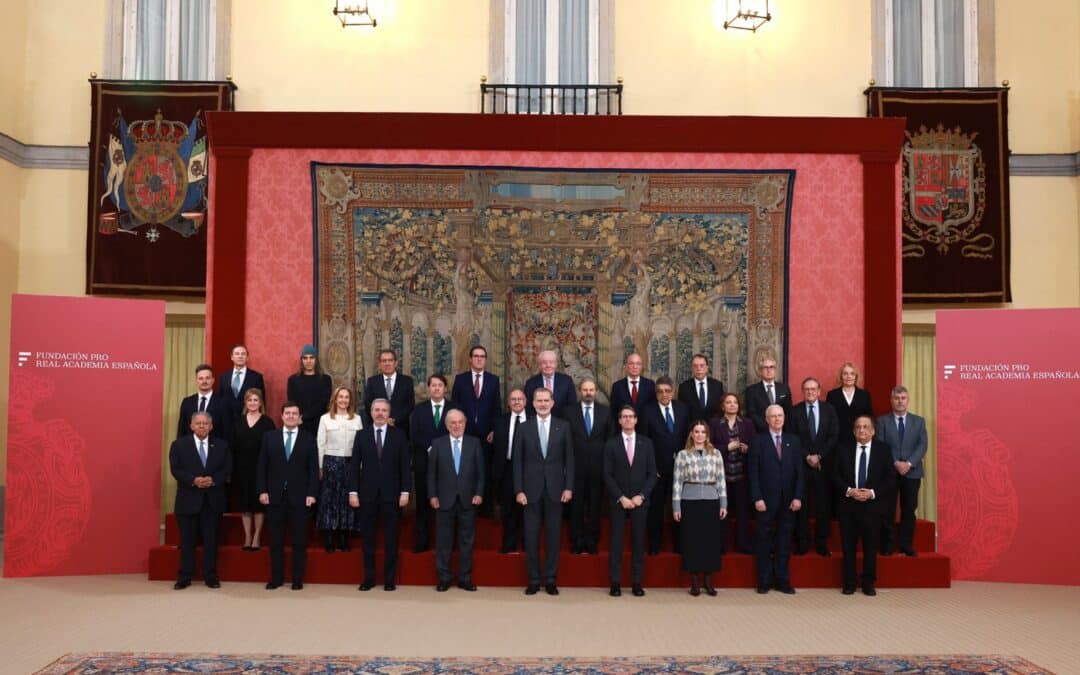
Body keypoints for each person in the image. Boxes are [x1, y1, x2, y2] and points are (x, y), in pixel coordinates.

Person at [513, 387, 575, 595]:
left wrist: (568, 487)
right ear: (533, 403)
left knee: (553, 537)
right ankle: (533, 580)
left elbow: (570, 460)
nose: (542, 404)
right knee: (531, 537)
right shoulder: (524, 428)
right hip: (530, 491)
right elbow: (517, 463)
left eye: (546, 400)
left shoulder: (563, 427)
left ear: (552, 403)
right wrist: (519, 489)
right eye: (539, 401)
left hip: (556, 490)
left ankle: (550, 579)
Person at [349, 398, 411, 591]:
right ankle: (368, 578)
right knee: (368, 540)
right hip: (366, 495)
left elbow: (404, 467)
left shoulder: (399, 435)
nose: (380, 413)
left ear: (388, 413)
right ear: (371, 412)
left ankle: (389, 579)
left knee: (391, 540)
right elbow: (354, 466)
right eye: (377, 410)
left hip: (391, 495)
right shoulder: (361, 435)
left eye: (384, 410)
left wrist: (405, 491)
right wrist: (353, 492)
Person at [257, 402, 318, 591]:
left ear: (300, 418)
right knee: (275, 541)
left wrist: (312, 493)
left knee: (299, 541)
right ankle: (276, 579)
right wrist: (262, 490)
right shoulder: (269, 437)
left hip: (300, 497)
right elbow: (262, 467)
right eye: (287, 413)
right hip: (274, 496)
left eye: (294, 414)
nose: (291, 416)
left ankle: (297, 579)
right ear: (281, 416)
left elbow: (313, 469)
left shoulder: (308, 439)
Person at [169, 411, 232, 589]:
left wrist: (213, 480)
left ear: (211, 426)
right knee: (187, 541)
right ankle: (184, 576)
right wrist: (193, 480)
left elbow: (227, 468)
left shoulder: (221, 446)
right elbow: (176, 469)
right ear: (191, 426)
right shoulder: (179, 445)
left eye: (205, 423)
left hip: (213, 500)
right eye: (198, 423)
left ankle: (210, 576)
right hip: (188, 500)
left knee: (211, 542)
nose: (202, 426)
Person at [834, 415, 894, 595]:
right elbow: (834, 476)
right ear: (853, 431)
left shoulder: (883, 450)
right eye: (858, 427)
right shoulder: (843, 449)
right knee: (848, 547)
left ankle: (868, 583)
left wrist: (872, 493)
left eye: (865, 427)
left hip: (872, 507)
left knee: (870, 547)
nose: (862, 430)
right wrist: (849, 490)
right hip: (849, 506)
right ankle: (850, 582)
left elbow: (890, 479)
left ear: (873, 431)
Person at [748, 404, 803, 594]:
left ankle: (782, 580)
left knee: (784, 542)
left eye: (780, 415)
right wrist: (757, 497)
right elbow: (753, 472)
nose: (777, 419)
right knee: (763, 541)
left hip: (789, 501)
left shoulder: (793, 441)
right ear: (767, 419)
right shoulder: (757, 441)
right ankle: (763, 581)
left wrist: (798, 497)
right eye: (773, 416)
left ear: (784, 418)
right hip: (765, 501)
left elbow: (799, 473)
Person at [427, 409, 485, 591]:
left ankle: (465, 578)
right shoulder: (437, 444)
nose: (456, 425)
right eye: (452, 422)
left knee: (466, 543)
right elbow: (431, 474)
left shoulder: (474, 443)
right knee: (443, 542)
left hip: (468, 500)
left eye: (460, 422)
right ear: (447, 425)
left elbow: (481, 472)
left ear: (465, 424)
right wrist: (433, 495)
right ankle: (444, 578)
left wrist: (479, 492)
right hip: (444, 500)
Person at [603, 405, 656, 597]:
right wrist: (621, 497)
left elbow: (652, 474)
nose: (627, 420)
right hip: (619, 501)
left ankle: (636, 583)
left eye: (631, 416)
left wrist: (641, 496)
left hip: (640, 501)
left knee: (638, 544)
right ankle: (615, 583)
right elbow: (607, 474)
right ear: (619, 421)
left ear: (636, 420)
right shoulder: (611, 443)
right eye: (624, 417)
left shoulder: (647, 443)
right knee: (616, 543)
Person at [673, 420, 728, 597]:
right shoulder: (683, 455)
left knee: (710, 541)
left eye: (702, 432)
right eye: (696, 431)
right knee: (693, 541)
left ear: (707, 435)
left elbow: (721, 480)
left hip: (711, 500)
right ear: (691, 434)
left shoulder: (716, 453)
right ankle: (695, 581)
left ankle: (709, 581)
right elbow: (677, 482)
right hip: (690, 501)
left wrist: (723, 503)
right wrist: (676, 506)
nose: (699, 435)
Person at [639, 375, 689, 554]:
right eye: (660, 392)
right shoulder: (647, 411)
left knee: (680, 508)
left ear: (673, 391)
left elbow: (687, 438)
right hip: (657, 469)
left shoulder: (682, 409)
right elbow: (644, 441)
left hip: (681, 469)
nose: (664, 395)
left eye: (667, 391)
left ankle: (680, 545)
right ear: (656, 393)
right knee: (656, 509)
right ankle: (654, 546)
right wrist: (651, 468)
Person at [790, 377, 840, 557]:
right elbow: (792, 436)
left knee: (823, 506)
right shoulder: (794, 411)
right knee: (801, 505)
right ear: (802, 391)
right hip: (801, 465)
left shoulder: (829, 410)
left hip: (823, 465)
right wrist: (807, 456)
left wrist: (819, 456)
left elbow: (834, 435)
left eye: (813, 389)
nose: (810, 392)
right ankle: (802, 541)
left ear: (819, 391)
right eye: (806, 389)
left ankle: (821, 542)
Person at [875, 386, 928, 557]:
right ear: (891, 400)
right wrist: (896, 463)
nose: (900, 401)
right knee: (887, 510)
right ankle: (888, 545)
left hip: (912, 473)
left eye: (903, 398)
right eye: (896, 398)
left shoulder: (919, 421)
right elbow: (880, 445)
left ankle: (906, 545)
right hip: (890, 472)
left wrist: (909, 463)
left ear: (908, 400)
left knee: (909, 510)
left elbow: (922, 445)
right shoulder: (882, 421)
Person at [563, 377, 612, 555]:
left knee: (595, 505)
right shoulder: (568, 412)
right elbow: (565, 440)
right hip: (575, 467)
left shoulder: (606, 412)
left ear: (596, 392)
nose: (588, 393)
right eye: (585, 390)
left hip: (598, 468)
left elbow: (609, 440)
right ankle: (576, 539)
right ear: (579, 392)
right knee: (575, 505)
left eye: (591, 390)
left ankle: (592, 539)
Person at [451, 345, 501, 515]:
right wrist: (458, 429)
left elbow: (497, 408)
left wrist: (495, 429)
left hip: (487, 435)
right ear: (470, 359)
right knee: (466, 469)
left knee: (485, 469)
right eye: (476, 356)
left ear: (485, 360)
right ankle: (466, 506)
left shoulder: (493, 380)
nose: (479, 359)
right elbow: (455, 407)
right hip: (465, 433)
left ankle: (485, 509)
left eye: (482, 356)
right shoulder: (460, 379)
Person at [408, 374, 456, 552]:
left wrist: (442, 449)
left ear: (445, 388)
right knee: (423, 504)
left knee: (448, 504)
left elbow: (457, 431)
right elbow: (415, 434)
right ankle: (422, 541)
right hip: (424, 463)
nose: (436, 388)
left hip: (449, 463)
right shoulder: (419, 410)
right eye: (433, 385)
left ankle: (447, 543)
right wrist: (430, 448)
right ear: (428, 388)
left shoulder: (454, 408)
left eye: (440, 385)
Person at [316, 386, 363, 553]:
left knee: (346, 501)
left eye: (346, 397)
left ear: (350, 400)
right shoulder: (325, 419)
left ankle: (343, 536)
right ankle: (329, 536)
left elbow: (360, 446)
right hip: (330, 463)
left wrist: (360, 466)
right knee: (330, 501)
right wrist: (320, 466)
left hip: (350, 463)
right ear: (335, 399)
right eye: (340, 397)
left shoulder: (356, 419)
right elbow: (320, 443)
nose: (343, 400)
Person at [708, 393, 755, 554]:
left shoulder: (747, 423)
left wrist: (747, 448)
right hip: (722, 475)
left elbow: (755, 446)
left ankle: (743, 544)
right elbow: (708, 446)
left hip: (742, 474)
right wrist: (727, 447)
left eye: (735, 402)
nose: (732, 405)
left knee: (743, 512)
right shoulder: (714, 423)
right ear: (723, 406)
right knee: (722, 511)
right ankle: (721, 545)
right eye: (728, 402)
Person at [230, 387, 275, 551]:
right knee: (245, 505)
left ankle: (257, 536)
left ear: (260, 402)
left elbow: (272, 449)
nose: (253, 403)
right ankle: (247, 536)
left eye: (256, 400)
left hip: (261, 469)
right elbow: (232, 447)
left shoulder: (267, 422)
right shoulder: (238, 422)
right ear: (245, 402)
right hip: (241, 469)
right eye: (250, 400)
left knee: (258, 506)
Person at [492, 389, 527, 553]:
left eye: (520, 399)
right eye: (513, 399)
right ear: (508, 402)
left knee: (527, 511)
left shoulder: (534, 420)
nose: (517, 402)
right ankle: (509, 544)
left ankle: (527, 545)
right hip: (507, 469)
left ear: (526, 401)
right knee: (508, 510)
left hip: (529, 471)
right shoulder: (500, 421)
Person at [363, 349, 415, 436]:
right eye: (384, 361)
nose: (387, 363)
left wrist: (394, 420)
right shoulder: (372, 381)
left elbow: (410, 405)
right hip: (378, 427)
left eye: (390, 360)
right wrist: (383, 420)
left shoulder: (407, 381)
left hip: (400, 428)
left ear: (396, 363)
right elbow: (368, 404)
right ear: (379, 364)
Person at [286, 344, 332, 436]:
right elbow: (292, 401)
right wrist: (299, 418)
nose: (308, 361)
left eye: (311, 357)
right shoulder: (293, 380)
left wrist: (305, 416)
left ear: (316, 360)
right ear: (301, 360)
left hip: (319, 422)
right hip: (299, 423)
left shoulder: (325, 379)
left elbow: (324, 402)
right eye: (305, 358)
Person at [177, 363, 230, 440]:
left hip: (215, 449)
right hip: (190, 449)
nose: (204, 381)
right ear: (196, 381)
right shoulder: (187, 402)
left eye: (207, 378)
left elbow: (227, 431)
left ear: (213, 380)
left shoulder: (224, 402)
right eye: (201, 378)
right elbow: (182, 430)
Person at [826, 362, 874, 446]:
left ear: (856, 377)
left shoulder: (864, 395)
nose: (849, 376)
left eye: (852, 373)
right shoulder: (832, 395)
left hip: (859, 437)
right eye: (845, 374)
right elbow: (829, 419)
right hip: (838, 439)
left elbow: (869, 416)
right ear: (841, 376)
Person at [744, 357, 792, 434]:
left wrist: (780, 426)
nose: (769, 370)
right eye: (765, 367)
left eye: (771, 367)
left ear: (775, 370)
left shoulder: (784, 389)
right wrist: (768, 427)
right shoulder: (751, 390)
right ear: (760, 371)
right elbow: (751, 413)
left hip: (781, 431)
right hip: (760, 432)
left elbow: (788, 411)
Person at [523, 349, 577, 415]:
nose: (548, 365)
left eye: (551, 362)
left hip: (562, 422)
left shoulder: (567, 381)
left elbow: (572, 405)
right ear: (540, 365)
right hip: (538, 423)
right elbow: (528, 407)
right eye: (544, 362)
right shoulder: (530, 383)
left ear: (556, 364)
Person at [218, 344, 265, 417]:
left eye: (243, 354)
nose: (240, 356)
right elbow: (220, 398)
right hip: (226, 419)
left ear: (247, 358)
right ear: (232, 357)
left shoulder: (256, 377)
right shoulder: (224, 377)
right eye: (237, 354)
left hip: (248, 419)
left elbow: (261, 400)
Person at [678, 353, 724, 423]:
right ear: (692, 368)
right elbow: (682, 411)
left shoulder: (717, 386)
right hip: (693, 429)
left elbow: (721, 409)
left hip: (713, 428)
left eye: (702, 366)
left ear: (707, 368)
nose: (698, 368)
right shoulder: (684, 387)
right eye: (695, 366)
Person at [609, 352, 655, 416]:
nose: (635, 367)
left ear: (641, 367)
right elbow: (613, 411)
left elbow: (653, 409)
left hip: (645, 425)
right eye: (631, 363)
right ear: (626, 366)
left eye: (638, 364)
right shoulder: (617, 386)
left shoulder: (650, 385)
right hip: (624, 425)